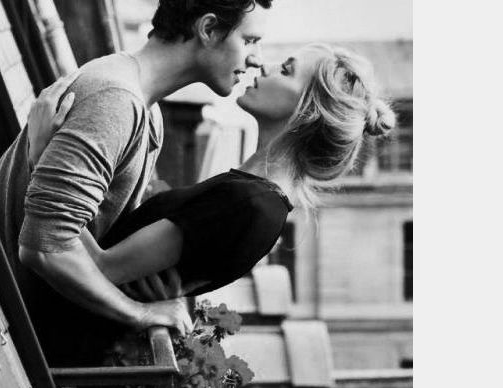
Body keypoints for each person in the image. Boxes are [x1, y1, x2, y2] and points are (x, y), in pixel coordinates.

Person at [0, 0, 273, 366]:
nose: (257, 59)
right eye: (249, 40)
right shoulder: (116, 102)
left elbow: (78, 232)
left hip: (4, 331)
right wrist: (140, 313)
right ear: (209, 29)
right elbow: (45, 247)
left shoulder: (145, 111)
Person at [28, 43, 396, 311]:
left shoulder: (248, 203)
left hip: (42, 322)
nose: (263, 66)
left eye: (286, 70)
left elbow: (103, 267)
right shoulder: (255, 199)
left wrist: (43, 155)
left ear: (306, 112)